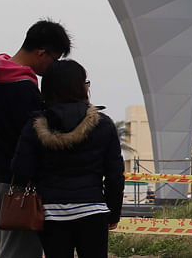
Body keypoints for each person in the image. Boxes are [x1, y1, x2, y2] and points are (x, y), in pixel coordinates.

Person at [0, 20, 71, 258]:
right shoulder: (25, 87)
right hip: (19, 184)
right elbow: (32, 140)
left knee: (3, 249)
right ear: (41, 52)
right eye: (54, 59)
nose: (52, 67)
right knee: (21, 250)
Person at [11, 59, 125, 258]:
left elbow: (21, 170)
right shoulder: (103, 124)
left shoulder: (34, 126)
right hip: (93, 211)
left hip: (50, 213)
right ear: (81, 87)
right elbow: (115, 175)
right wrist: (113, 212)